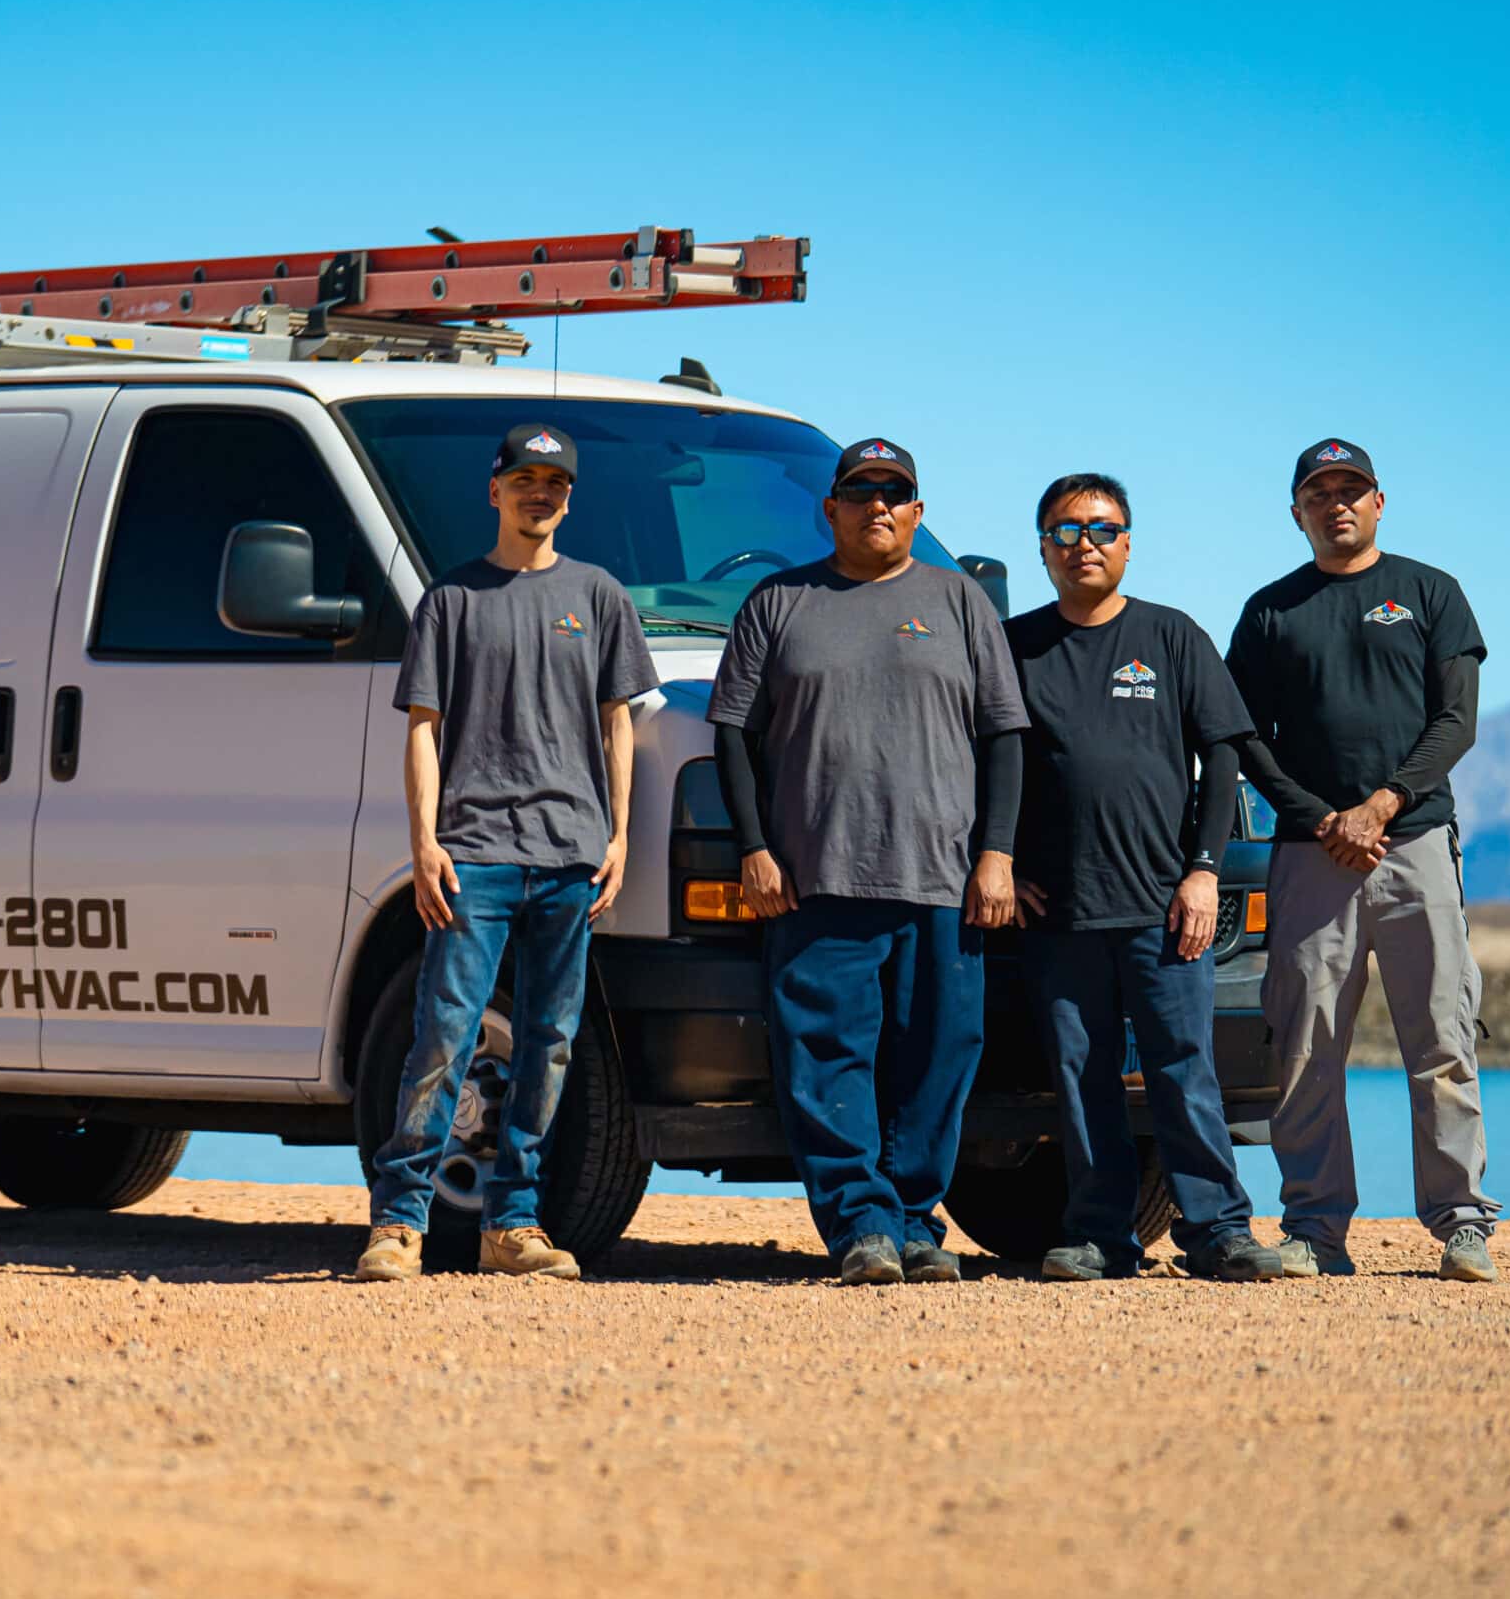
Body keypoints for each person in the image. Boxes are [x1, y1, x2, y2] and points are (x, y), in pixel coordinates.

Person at [709, 439, 1028, 1285]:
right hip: (818, 876)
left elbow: (1004, 738)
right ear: (832, 508)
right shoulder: (779, 601)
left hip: (942, 877)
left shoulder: (960, 601)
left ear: (918, 513)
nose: (877, 505)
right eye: (860, 491)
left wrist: (996, 854)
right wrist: (754, 848)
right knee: (827, 1056)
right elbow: (733, 735)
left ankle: (915, 1219)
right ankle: (859, 1225)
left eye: (895, 493)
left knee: (941, 1054)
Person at [355, 423, 658, 1282]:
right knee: (445, 1035)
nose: (541, 494)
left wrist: (620, 836)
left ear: (570, 497)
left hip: (570, 856)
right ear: (494, 491)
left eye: (555, 483)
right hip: (474, 854)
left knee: (550, 1042)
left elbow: (618, 723)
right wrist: (424, 842)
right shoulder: (451, 600)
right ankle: (398, 1224)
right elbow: (423, 729)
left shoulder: (599, 596)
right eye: (525, 479)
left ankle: (513, 1224)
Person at [1228, 439, 1499, 1284]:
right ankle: (1314, 1228)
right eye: (1319, 491)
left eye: (1351, 489)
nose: (1336, 502)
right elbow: (1244, 739)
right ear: (1297, 510)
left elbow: (1457, 721)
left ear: (1380, 501)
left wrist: (1381, 806)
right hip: (1312, 858)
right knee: (1305, 1045)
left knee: (1442, 1034)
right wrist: (1319, 818)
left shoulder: (1429, 593)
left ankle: (1461, 1225)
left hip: (1413, 847)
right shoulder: (1273, 611)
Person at [1004, 474, 1285, 1283]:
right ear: (1044, 549)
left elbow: (1223, 753)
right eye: (1064, 531)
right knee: (1081, 1076)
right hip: (1059, 909)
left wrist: (1201, 873)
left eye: (1101, 528)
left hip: (1164, 905)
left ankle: (1218, 1231)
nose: (1083, 543)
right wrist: (1003, 860)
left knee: (1183, 1065)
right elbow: (989, 765)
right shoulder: (1017, 647)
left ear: (1127, 541)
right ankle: (1101, 1236)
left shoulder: (1172, 636)